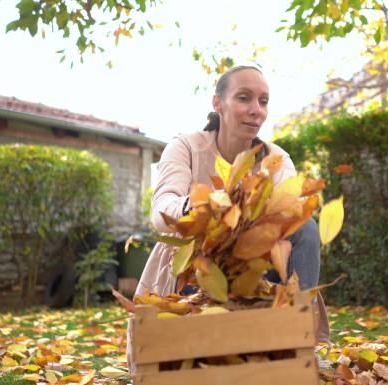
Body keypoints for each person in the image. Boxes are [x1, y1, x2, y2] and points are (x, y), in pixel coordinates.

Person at [126, 65, 330, 372]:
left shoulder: (275, 158)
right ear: (217, 103)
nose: (256, 110)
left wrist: (252, 217)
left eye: (263, 101)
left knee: (306, 227)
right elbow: (162, 211)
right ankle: (194, 350)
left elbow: (294, 209)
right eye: (244, 98)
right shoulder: (186, 147)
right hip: (194, 268)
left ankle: (294, 340)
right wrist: (210, 208)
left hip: (257, 271)